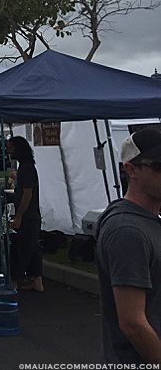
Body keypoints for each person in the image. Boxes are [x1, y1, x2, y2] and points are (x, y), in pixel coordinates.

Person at [95, 129, 161, 364]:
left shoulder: (147, 219)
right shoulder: (128, 231)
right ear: (130, 169)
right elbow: (133, 323)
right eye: (159, 166)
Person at [8, 136, 43, 292]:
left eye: (11, 148)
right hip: (32, 215)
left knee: (22, 248)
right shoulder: (25, 167)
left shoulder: (26, 168)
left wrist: (19, 216)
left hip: (28, 216)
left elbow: (27, 193)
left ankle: (15, 280)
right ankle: (37, 280)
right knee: (33, 247)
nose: (9, 151)